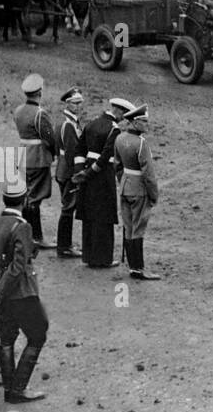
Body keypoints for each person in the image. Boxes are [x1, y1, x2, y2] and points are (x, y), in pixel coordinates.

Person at [0, 176, 48, 402]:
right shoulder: (23, 227)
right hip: (21, 291)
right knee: (38, 334)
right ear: (24, 200)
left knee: (6, 338)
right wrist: (2, 289)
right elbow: (18, 267)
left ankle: (9, 389)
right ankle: (18, 388)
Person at [76, 98, 128, 268]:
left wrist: (80, 172)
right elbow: (105, 157)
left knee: (89, 215)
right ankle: (102, 259)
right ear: (118, 111)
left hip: (87, 176)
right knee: (104, 217)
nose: (123, 119)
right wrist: (91, 172)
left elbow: (79, 149)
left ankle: (89, 256)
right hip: (103, 177)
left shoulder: (91, 123)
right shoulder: (115, 129)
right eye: (124, 115)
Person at [114, 104, 161, 280]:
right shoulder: (141, 143)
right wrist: (154, 194)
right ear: (135, 122)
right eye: (144, 122)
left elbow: (117, 166)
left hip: (125, 186)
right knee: (138, 228)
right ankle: (138, 269)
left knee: (128, 226)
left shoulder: (119, 138)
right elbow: (149, 174)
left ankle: (132, 266)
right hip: (139, 189)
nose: (147, 125)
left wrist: (124, 182)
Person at [12, 72, 56, 248]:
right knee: (34, 198)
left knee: (26, 195)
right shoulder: (40, 114)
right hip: (37, 158)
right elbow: (50, 138)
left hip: (23, 155)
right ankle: (36, 237)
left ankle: (25, 234)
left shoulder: (18, 111)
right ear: (40, 92)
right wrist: (53, 153)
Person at [53, 87, 84, 258]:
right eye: (75, 103)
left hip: (62, 169)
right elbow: (73, 153)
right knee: (68, 208)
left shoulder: (64, 122)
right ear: (68, 104)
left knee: (67, 207)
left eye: (80, 103)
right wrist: (78, 174)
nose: (79, 106)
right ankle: (64, 247)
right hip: (69, 172)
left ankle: (64, 245)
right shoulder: (69, 125)